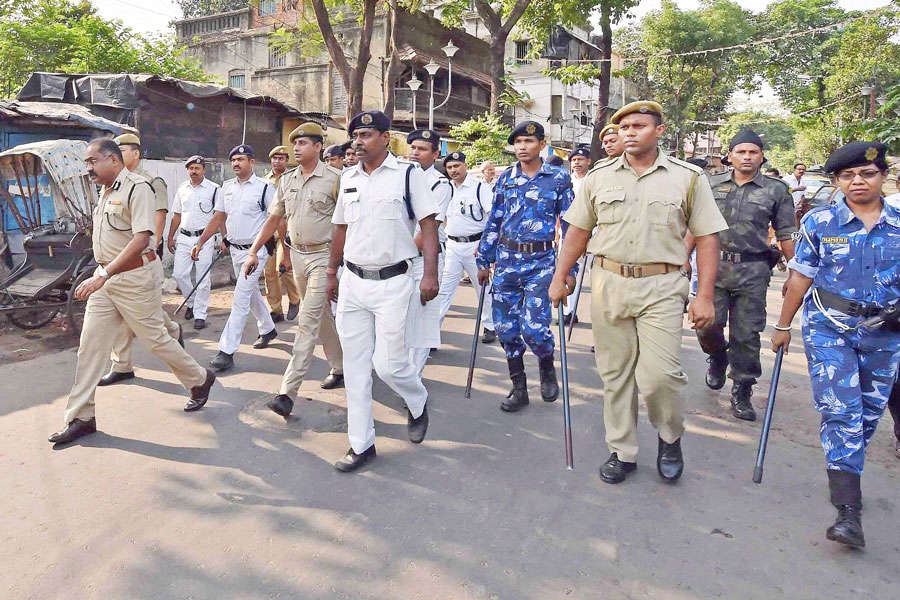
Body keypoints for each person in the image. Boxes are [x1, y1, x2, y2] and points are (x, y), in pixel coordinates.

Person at [549, 101, 728, 485]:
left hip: (662, 284)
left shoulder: (688, 176)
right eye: (625, 126)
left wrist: (705, 295)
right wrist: (560, 275)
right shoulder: (599, 176)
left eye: (639, 125)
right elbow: (578, 231)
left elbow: (708, 237)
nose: (629, 132)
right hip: (609, 282)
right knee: (615, 374)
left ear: (659, 131)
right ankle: (622, 450)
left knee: (660, 375)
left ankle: (669, 437)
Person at [772, 141, 900, 548]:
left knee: (866, 417)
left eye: (867, 173)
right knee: (840, 413)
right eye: (848, 175)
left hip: (886, 333)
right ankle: (848, 513)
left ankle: (847, 475)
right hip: (830, 328)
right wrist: (782, 325)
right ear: (836, 181)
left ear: (883, 176)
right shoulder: (820, 222)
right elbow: (800, 277)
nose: (858, 181)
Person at [48, 139, 215, 445]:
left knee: (155, 340)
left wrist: (104, 274)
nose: (88, 169)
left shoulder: (139, 188)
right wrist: (101, 272)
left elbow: (141, 239)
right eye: (86, 163)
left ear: (113, 160)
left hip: (134, 277)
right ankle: (81, 417)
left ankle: (200, 379)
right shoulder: (105, 191)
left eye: (92, 162)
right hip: (106, 279)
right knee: (90, 347)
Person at [326, 110, 440, 472]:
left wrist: (430, 275)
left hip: (394, 282)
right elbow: (340, 228)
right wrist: (332, 271)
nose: (358, 142)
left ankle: (418, 401)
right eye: (355, 135)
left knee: (389, 366)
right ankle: (361, 444)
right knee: (356, 369)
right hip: (353, 282)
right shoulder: (347, 178)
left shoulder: (409, 175)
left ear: (386, 137)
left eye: (366, 135)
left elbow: (429, 227)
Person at [690, 129, 796, 421]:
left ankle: (742, 389)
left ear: (762, 157)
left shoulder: (776, 190)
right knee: (706, 324)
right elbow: (694, 225)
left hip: (753, 270)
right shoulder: (709, 185)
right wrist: (682, 260)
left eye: (753, 152)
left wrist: (795, 272)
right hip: (714, 267)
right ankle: (717, 355)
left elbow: (787, 232)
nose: (747, 157)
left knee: (747, 334)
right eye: (741, 152)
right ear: (730, 156)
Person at [243, 122, 345, 418]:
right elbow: (274, 219)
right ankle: (340, 368)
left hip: (324, 256)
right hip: (298, 257)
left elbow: (346, 225)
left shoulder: (336, 179)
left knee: (307, 320)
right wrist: (253, 251)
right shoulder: (286, 180)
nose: (296, 149)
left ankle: (287, 392)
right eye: (294, 144)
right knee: (321, 316)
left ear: (317, 147)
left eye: (303, 144)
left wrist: (338, 265)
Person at [476, 121, 576, 413]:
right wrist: (484, 260)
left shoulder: (558, 178)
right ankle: (518, 388)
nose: (522, 147)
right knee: (506, 329)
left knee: (534, 329)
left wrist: (569, 269)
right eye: (517, 142)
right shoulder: (506, 178)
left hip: (541, 262)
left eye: (528, 141)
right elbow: (494, 221)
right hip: (507, 262)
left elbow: (571, 225)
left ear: (542, 145)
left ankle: (546, 366)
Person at [97, 133, 184, 387]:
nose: (116, 155)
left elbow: (158, 216)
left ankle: (176, 339)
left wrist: (152, 247)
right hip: (118, 262)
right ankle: (122, 365)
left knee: (147, 315)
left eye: (121, 150)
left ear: (135, 153)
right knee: (122, 314)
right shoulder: (111, 184)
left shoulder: (149, 182)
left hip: (141, 258)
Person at [192, 145, 277, 373]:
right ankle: (268, 328)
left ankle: (226, 351)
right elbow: (219, 216)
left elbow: (276, 218)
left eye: (241, 159)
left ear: (251, 162)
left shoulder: (265, 188)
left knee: (240, 298)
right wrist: (201, 241)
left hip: (257, 252)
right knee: (250, 293)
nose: (236, 163)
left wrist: (282, 251)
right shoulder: (226, 188)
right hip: (236, 250)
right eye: (233, 160)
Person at [406, 129, 453, 373]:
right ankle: (402, 374)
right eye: (412, 147)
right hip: (400, 258)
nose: (415, 153)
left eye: (422, 149)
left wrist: (398, 252)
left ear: (435, 154)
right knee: (401, 320)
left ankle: (413, 379)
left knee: (422, 322)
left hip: (425, 258)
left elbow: (428, 229)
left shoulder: (440, 184)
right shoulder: (400, 176)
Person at [437, 151, 495, 342]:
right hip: (453, 245)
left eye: (457, 166)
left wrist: (487, 247)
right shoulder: (445, 188)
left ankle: (489, 326)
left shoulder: (479, 187)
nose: (453, 170)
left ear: (465, 165)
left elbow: (491, 217)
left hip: (475, 246)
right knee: (444, 289)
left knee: (483, 288)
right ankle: (432, 331)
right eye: (450, 167)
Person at [167, 155, 221, 331]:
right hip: (183, 237)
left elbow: (220, 216)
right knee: (179, 274)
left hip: (204, 239)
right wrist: (170, 237)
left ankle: (200, 314)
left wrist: (224, 239)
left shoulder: (214, 189)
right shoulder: (182, 189)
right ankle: (191, 302)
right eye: (190, 168)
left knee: (203, 278)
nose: (194, 171)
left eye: (197, 168)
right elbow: (176, 215)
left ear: (203, 170)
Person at [262, 145, 301, 323]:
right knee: (269, 273)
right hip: (270, 231)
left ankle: (295, 299)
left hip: (288, 230)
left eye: (281, 158)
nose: (277, 161)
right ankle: (276, 310)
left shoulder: (294, 179)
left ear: (287, 161)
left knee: (284, 268)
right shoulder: (263, 181)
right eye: (275, 158)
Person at [562, 146, 593, 326]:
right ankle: (569, 311)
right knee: (568, 271)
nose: (577, 163)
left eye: (581, 160)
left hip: (592, 235)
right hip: (568, 234)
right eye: (574, 160)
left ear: (588, 161)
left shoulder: (594, 181)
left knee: (595, 276)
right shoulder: (566, 182)